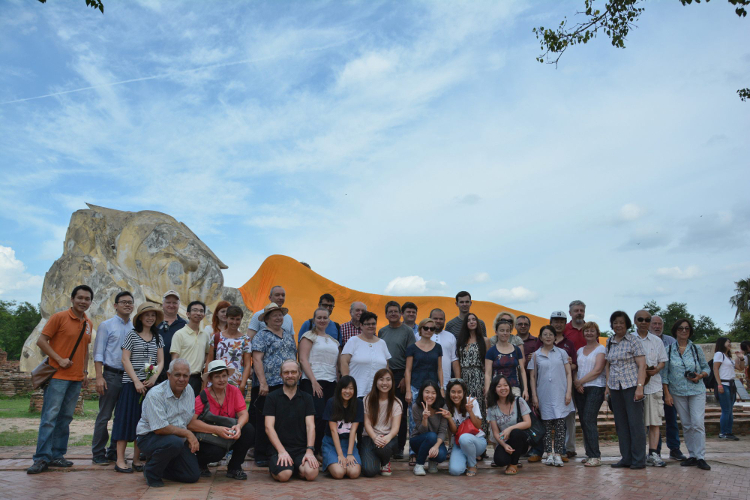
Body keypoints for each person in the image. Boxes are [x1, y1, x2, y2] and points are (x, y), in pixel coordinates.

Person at [28, 285, 94, 475]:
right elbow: (41, 341)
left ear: (90, 302)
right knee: (49, 417)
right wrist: (58, 359)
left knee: (65, 418)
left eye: (87, 299)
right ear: (72, 299)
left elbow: (85, 348)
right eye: (80, 298)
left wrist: (84, 372)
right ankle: (41, 458)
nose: (83, 301)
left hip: (75, 378)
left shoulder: (88, 323)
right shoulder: (59, 317)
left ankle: (57, 455)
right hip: (57, 376)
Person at [112, 303, 165, 474]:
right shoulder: (132, 335)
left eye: (153, 315)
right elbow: (125, 359)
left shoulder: (158, 337)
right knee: (125, 420)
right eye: (147, 315)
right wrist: (136, 381)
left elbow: (160, 361)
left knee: (143, 423)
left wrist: (153, 378)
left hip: (149, 385)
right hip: (131, 384)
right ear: (140, 317)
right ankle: (120, 459)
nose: (150, 318)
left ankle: (136, 459)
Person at [135, 358, 201, 488]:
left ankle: (158, 466)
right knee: (174, 443)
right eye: (177, 375)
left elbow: (186, 420)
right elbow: (159, 429)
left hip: (175, 439)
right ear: (169, 375)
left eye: (185, 376)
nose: (181, 379)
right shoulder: (156, 394)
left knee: (192, 476)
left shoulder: (189, 391)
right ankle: (152, 473)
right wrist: (188, 434)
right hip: (149, 437)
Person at [190, 360, 254, 480]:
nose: (221, 380)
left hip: (229, 431)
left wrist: (239, 426)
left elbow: (244, 413)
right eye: (217, 377)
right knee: (216, 453)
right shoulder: (202, 396)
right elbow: (191, 423)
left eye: (224, 376)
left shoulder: (234, 391)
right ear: (210, 379)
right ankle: (201, 463)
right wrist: (216, 429)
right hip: (208, 435)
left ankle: (234, 467)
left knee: (248, 430)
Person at [251, 302, 298, 467]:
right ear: (267, 319)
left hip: (287, 384)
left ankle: (280, 451)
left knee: (284, 420)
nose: (278, 318)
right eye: (274, 315)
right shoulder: (261, 335)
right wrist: (263, 382)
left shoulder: (287, 334)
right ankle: (261, 454)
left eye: (280, 315)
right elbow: (257, 359)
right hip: (268, 386)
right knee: (264, 419)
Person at [662, 319, 711, 470]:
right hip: (677, 392)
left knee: (697, 422)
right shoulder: (669, 349)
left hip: (696, 390)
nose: (684, 331)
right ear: (675, 331)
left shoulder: (696, 349)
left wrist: (700, 375)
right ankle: (693, 455)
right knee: (687, 424)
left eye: (687, 329)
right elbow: (664, 375)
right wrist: (667, 394)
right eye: (681, 328)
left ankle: (701, 456)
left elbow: (706, 368)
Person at [92, 290, 134, 465]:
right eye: (123, 302)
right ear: (115, 305)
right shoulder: (106, 325)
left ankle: (114, 451)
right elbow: (98, 353)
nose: (127, 305)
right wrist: (99, 377)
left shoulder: (135, 328)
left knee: (122, 416)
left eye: (130, 302)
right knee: (104, 415)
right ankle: (98, 452)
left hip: (128, 377)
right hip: (111, 374)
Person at [605, 311, 647, 469]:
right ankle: (626, 458)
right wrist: (608, 387)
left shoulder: (633, 341)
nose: (618, 325)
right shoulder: (610, 341)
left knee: (635, 424)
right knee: (621, 424)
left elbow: (642, 365)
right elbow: (608, 365)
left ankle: (638, 459)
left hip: (631, 386)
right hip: (616, 388)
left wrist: (640, 387)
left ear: (627, 324)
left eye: (621, 322)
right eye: (615, 322)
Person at [264, 360, 319, 482]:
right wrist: (281, 451)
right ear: (281, 375)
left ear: (299, 375)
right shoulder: (272, 398)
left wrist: (309, 450)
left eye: (293, 372)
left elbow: (311, 426)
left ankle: (294, 467)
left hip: (301, 449)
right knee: (284, 476)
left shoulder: (307, 398)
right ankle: (285, 468)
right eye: (286, 372)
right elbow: (268, 427)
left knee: (312, 473)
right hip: (278, 448)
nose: (290, 375)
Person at [528, 325, 574, 467]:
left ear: (555, 337)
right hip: (544, 395)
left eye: (550, 334)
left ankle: (558, 454)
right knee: (546, 426)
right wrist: (534, 396)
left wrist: (568, 393)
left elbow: (568, 373)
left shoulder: (562, 353)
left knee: (560, 425)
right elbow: (532, 377)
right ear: (540, 337)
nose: (548, 337)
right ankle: (548, 454)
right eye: (545, 334)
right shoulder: (536, 355)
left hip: (560, 393)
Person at [299, 307, 340, 455]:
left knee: (328, 417)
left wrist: (338, 383)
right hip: (313, 381)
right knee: (315, 416)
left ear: (329, 320)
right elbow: (303, 359)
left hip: (331, 382)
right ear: (314, 320)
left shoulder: (334, 341)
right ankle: (311, 449)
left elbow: (336, 365)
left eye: (325, 318)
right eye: (319, 318)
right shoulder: (308, 336)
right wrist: (313, 381)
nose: (322, 320)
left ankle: (323, 450)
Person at [378, 301, 416, 458]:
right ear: (386, 314)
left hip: (402, 374)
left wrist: (405, 379)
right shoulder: (382, 332)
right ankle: (386, 445)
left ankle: (400, 447)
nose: (393, 314)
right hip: (385, 374)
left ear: (401, 314)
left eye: (396, 311)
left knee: (400, 411)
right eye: (390, 311)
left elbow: (412, 356)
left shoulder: (407, 331)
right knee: (384, 410)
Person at [405, 318, 444, 464]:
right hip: (416, 387)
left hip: (433, 390)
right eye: (426, 328)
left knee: (433, 417)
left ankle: (431, 448)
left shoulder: (438, 347)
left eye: (432, 328)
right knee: (414, 420)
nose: (428, 331)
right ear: (420, 329)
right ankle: (413, 452)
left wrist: (442, 387)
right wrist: (408, 390)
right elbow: (408, 370)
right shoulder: (412, 347)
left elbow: (440, 368)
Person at [633, 309, 669, 466]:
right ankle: (636, 455)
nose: (643, 322)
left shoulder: (657, 341)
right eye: (640, 319)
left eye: (647, 320)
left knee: (655, 422)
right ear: (635, 321)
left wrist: (657, 369)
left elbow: (662, 360)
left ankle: (653, 453)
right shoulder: (629, 339)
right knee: (636, 424)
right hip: (633, 387)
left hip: (653, 385)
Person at [651, 315, 687, 461]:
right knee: (654, 421)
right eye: (654, 324)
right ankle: (655, 450)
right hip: (651, 385)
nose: (657, 326)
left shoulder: (671, 342)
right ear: (649, 325)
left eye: (660, 324)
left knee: (671, 419)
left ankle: (674, 448)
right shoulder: (644, 341)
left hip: (669, 386)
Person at [572, 321, 606, 467]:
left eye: (592, 331)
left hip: (595, 387)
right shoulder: (580, 350)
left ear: (597, 333)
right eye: (587, 331)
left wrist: (580, 382)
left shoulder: (601, 349)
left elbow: (598, 370)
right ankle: (589, 453)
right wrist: (576, 382)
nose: (589, 333)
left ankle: (595, 455)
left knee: (589, 419)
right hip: (580, 389)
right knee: (584, 421)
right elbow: (575, 368)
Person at [360, 368, 402, 477]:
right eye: (381, 379)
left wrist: (385, 439)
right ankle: (376, 459)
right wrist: (374, 437)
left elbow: (395, 429)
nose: (384, 383)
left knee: (384, 448)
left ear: (392, 382)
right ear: (375, 382)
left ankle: (385, 461)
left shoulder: (397, 403)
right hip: (370, 438)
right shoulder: (367, 399)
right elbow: (367, 423)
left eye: (388, 380)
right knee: (369, 472)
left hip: (388, 439)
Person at [486, 375, 531, 475]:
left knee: (516, 432)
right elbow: (496, 432)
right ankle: (511, 458)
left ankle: (514, 464)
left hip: (522, 440)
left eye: (505, 385)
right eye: (499, 386)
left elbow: (528, 423)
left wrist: (510, 429)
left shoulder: (519, 401)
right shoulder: (492, 407)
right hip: (505, 441)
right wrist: (504, 445)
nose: (503, 388)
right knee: (500, 461)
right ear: (494, 389)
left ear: (509, 387)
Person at [340, 311, 391, 398]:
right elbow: (344, 362)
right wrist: (347, 384)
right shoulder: (353, 341)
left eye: (373, 323)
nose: (371, 326)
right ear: (361, 325)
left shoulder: (382, 343)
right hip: (357, 392)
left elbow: (386, 367)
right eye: (367, 324)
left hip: (378, 393)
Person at [321, 376, 364, 479]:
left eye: (351, 388)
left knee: (354, 473)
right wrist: (340, 454)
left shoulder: (358, 403)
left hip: (348, 443)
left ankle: (337, 461)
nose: (347, 391)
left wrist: (349, 454)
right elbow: (333, 430)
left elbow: (353, 430)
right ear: (339, 389)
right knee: (339, 473)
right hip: (331, 442)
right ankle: (329, 461)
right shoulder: (331, 402)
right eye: (344, 388)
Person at [455, 313, 490, 435]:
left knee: (479, 408)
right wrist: (459, 381)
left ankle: (482, 439)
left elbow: (487, 364)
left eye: (474, 319)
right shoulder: (461, 341)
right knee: (465, 407)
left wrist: (487, 383)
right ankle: (466, 435)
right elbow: (458, 362)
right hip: (464, 376)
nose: (471, 322)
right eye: (469, 320)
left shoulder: (485, 340)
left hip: (478, 376)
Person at [204, 306, 252, 394]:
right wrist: (204, 384)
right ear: (226, 318)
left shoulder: (245, 340)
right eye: (232, 319)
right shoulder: (217, 337)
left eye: (237, 319)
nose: (234, 322)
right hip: (216, 382)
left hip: (236, 383)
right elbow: (209, 361)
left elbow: (247, 364)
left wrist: (242, 385)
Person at [550, 310, 577, 460]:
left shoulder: (568, 343)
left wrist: (567, 366)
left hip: (565, 385)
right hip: (547, 386)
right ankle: (548, 449)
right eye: (555, 321)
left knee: (568, 416)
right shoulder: (543, 340)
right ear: (551, 323)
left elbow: (574, 365)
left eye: (561, 321)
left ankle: (568, 448)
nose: (558, 324)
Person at [444, 379, 484, 476]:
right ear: (449, 393)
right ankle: (466, 457)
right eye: (453, 392)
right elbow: (454, 432)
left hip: (477, 441)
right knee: (455, 471)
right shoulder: (448, 406)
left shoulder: (471, 402)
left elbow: (478, 426)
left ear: (464, 392)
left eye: (459, 392)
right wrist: (449, 418)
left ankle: (472, 465)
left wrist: (470, 411)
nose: (456, 395)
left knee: (464, 438)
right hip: (459, 444)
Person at [170, 301, 210, 396]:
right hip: (181, 378)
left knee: (195, 408)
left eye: (201, 311)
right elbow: (174, 358)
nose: (198, 313)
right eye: (195, 310)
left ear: (204, 315)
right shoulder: (179, 334)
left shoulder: (205, 335)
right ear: (188, 314)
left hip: (197, 378)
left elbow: (207, 354)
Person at [409, 380, 448, 475]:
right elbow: (422, 431)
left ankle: (432, 460)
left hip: (436, 440)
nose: (430, 396)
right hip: (418, 440)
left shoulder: (443, 407)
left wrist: (436, 446)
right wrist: (425, 419)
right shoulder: (416, 407)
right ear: (422, 392)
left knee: (442, 455)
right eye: (427, 392)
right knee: (431, 436)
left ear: (437, 394)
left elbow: (442, 431)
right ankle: (419, 465)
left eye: (433, 393)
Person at [485, 317, 527, 401]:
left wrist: (525, 389)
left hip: (514, 388)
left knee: (514, 412)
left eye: (507, 331)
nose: (505, 333)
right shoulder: (491, 351)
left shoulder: (516, 350)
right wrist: (487, 391)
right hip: (497, 389)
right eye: (502, 330)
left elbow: (522, 370)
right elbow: (488, 373)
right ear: (496, 332)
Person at [156, 290, 186, 385]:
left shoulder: (185, 325)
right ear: (162, 304)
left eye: (174, 303)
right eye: (168, 302)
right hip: (153, 370)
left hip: (176, 373)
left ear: (179, 305)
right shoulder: (154, 322)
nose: (171, 305)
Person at [713, 337, 740, 441]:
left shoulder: (728, 357)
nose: (729, 343)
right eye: (728, 342)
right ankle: (723, 432)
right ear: (722, 343)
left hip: (731, 384)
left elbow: (740, 367)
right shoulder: (719, 354)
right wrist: (719, 384)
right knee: (726, 409)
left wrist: (740, 358)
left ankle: (728, 431)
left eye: (730, 341)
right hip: (724, 384)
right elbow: (715, 368)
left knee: (730, 410)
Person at [429, 308, 459, 390]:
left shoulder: (450, 336)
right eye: (435, 318)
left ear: (445, 320)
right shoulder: (420, 336)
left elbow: (455, 360)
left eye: (441, 319)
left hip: (446, 383)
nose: (438, 321)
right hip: (425, 384)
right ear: (429, 319)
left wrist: (458, 381)